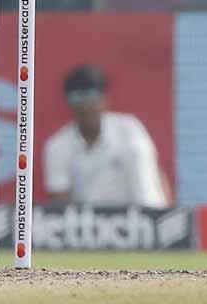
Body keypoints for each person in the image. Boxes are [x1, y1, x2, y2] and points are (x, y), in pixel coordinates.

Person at [43, 65, 171, 207]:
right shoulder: (57, 146)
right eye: (77, 97)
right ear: (68, 103)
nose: (85, 106)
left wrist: (162, 218)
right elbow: (60, 203)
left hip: (141, 221)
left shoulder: (129, 129)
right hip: (86, 224)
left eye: (91, 95)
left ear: (105, 99)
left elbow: (154, 180)